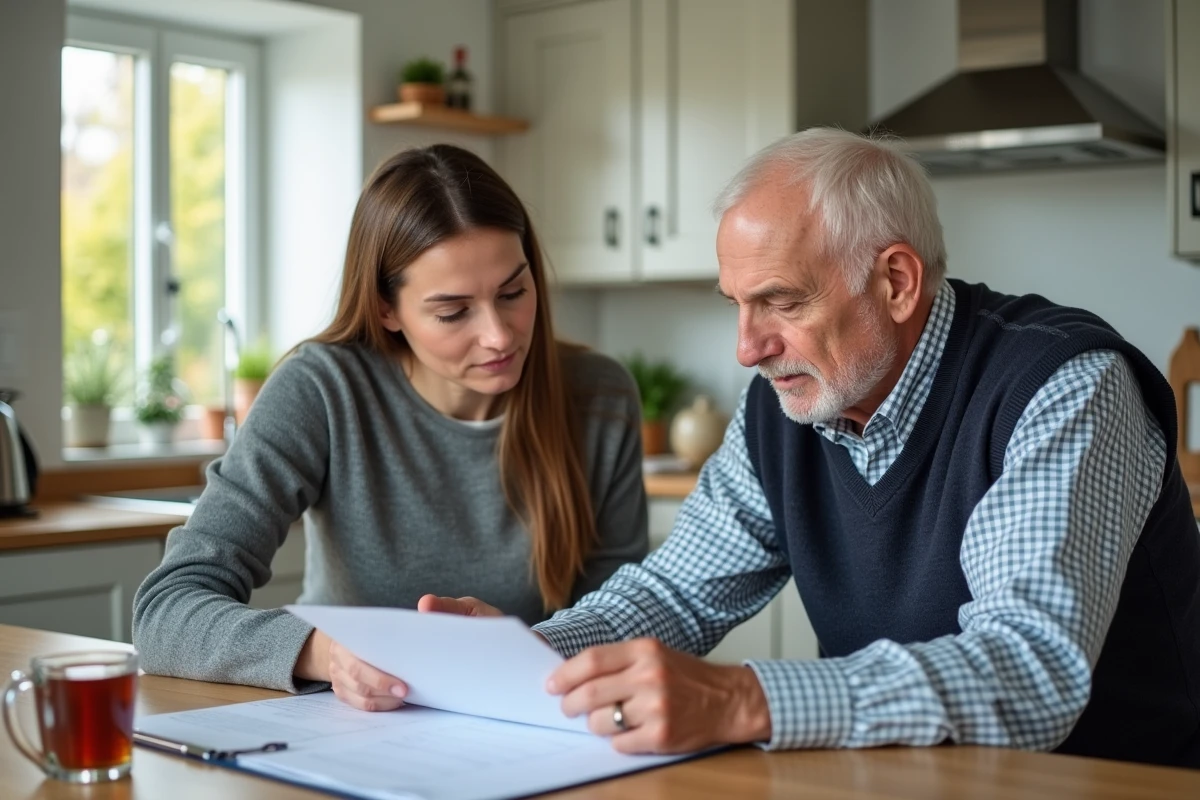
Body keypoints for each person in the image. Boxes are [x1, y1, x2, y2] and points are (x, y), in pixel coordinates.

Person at [420, 128, 1200, 768]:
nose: (747, 348)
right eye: (736, 304)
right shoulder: (786, 408)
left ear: (896, 282)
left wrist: (741, 698)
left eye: (780, 302)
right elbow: (676, 596)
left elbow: (1029, 672)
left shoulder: (1063, 388)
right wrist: (521, 649)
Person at [133, 144, 649, 710]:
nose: (500, 336)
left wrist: (525, 650)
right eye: (453, 312)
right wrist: (328, 654)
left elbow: (623, 620)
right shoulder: (322, 390)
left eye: (514, 292)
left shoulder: (600, 396)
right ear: (386, 309)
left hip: (522, 722)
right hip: (344, 726)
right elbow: (166, 611)